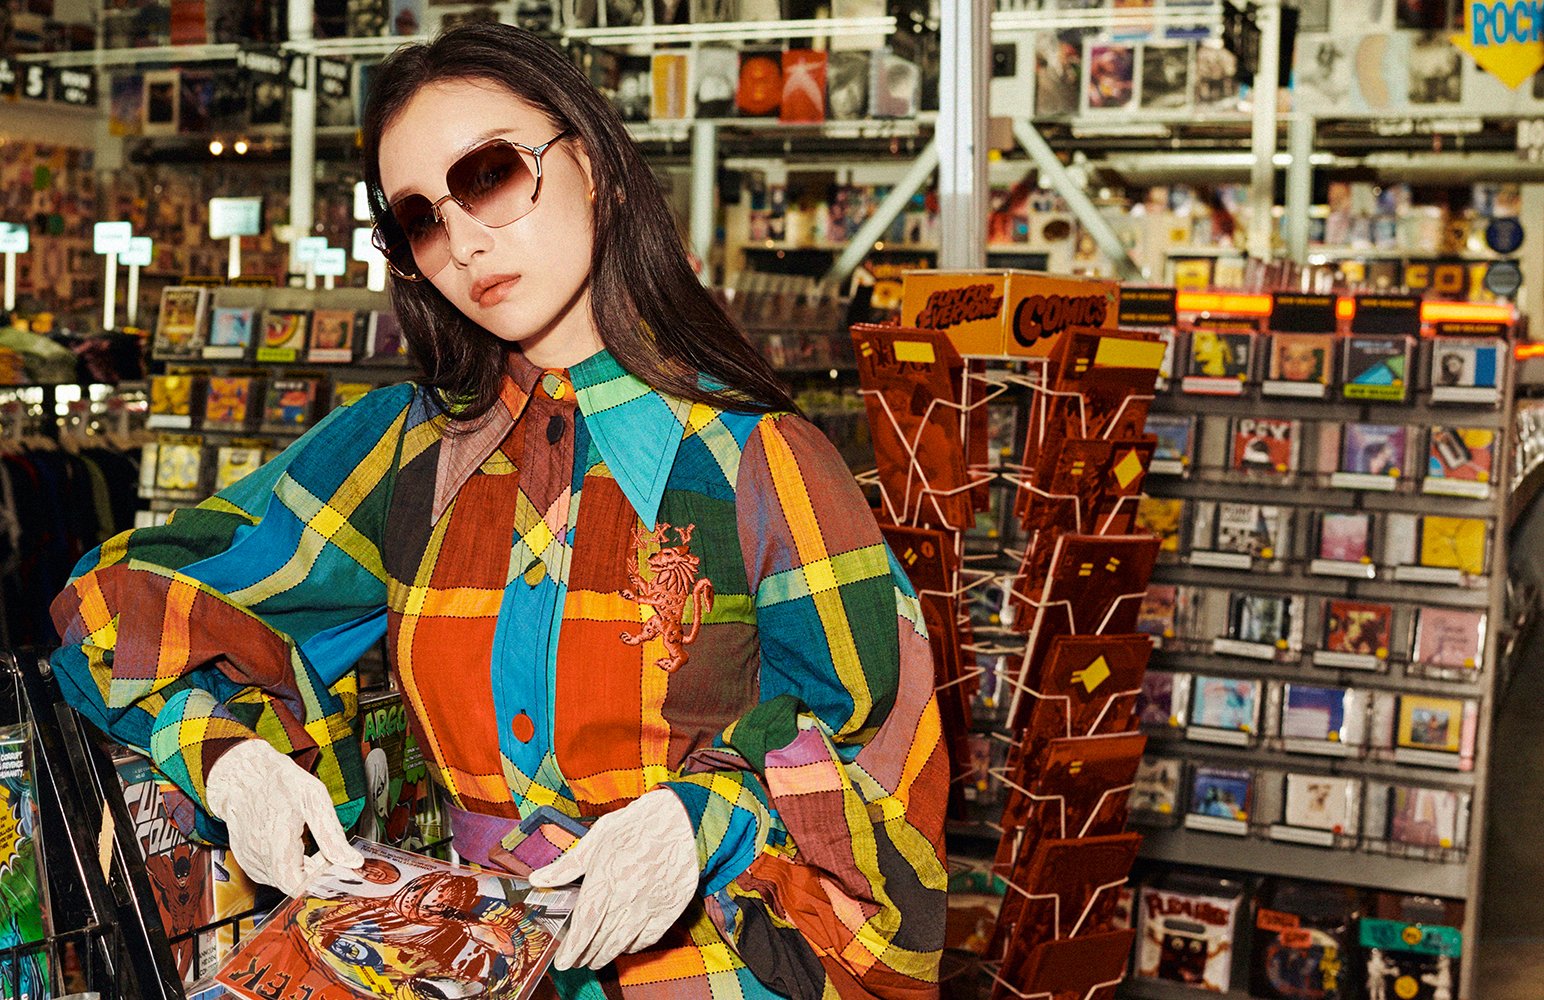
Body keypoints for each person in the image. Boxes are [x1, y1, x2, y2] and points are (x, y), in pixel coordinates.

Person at [49, 20, 947, 1000]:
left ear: (593, 165)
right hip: (463, 960)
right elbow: (124, 603)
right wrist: (228, 760)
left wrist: (707, 815)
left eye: (489, 175)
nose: (464, 242)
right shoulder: (405, 450)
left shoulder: (759, 460)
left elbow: (875, 749)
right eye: (420, 219)